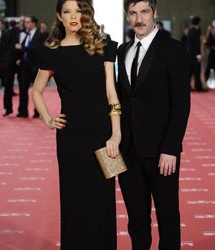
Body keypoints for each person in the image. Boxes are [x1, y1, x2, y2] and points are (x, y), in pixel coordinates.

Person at [32, 0, 120, 249]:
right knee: (74, 199)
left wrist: (116, 134)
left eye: (79, 11)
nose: (74, 16)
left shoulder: (104, 47)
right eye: (68, 11)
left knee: (103, 200)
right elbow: (36, 90)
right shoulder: (51, 52)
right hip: (71, 138)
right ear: (59, 16)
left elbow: (112, 95)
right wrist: (47, 118)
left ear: (87, 14)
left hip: (104, 136)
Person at [117, 1, 190, 250]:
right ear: (128, 16)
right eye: (134, 13)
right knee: (136, 220)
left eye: (144, 12)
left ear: (155, 13)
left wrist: (171, 148)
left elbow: (181, 104)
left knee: (167, 216)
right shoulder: (122, 51)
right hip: (128, 150)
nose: (139, 19)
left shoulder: (174, 50)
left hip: (161, 152)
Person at [15, 16, 43, 118]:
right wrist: (20, 58)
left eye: (27, 22)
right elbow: (25, 49)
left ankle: (37, 112)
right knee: (23, 89)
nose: (25, 24)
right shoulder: (27, 35)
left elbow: (36, 50)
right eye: (25, 22)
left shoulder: (40, 35)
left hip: (35, 67)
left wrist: (23, 48)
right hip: (25, 66)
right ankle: (23, 111)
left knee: (36, 91)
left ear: (34, 23)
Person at [187, 16, 205, 91]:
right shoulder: (196, 31)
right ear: (198, 22)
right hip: (195, 54)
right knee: (196, 71)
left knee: (190, 72)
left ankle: (188, 87)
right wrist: (198, 55)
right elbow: (195, 44)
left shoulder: (191, 30)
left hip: (190, 54)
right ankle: (199, 87)